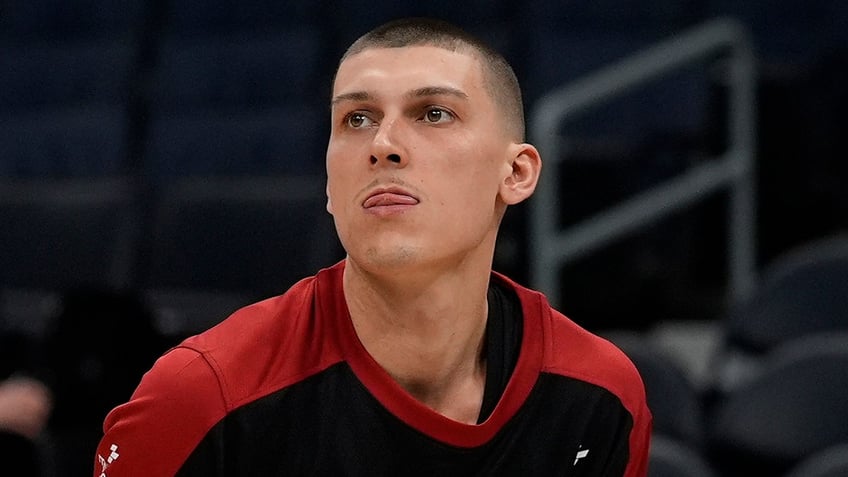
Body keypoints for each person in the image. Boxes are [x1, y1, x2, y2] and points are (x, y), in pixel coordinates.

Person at [93, 16, 652, 476]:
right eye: (357, 118)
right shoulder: (201, 396)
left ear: (517, 173)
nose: (383, 144)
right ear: (329, 184)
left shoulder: (599, 395)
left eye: (434, 113)